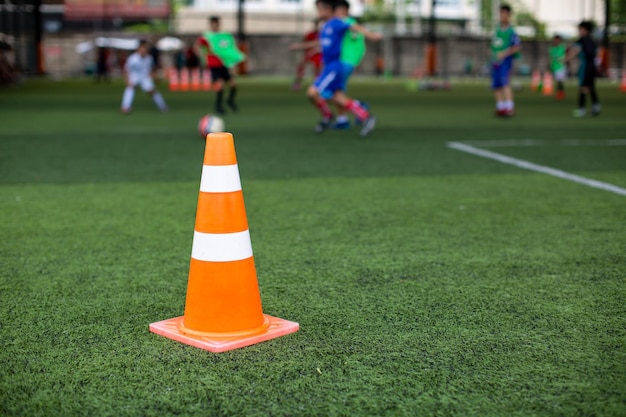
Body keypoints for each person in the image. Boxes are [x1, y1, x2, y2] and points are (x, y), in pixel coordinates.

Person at [298, 0, 381, 137]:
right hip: (329, 66)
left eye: (320, 9)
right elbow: (325, 45)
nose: (318, 13)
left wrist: (372, 36)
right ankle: (365, 115)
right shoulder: (326, 27)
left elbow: (354, 27)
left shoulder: (337, 22)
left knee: (314, 92)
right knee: (337, 96)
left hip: (334, 67)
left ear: (328, 9)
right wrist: (310, 49)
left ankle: (328, 115)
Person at [195, 16, 244, 115]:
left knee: (233, 84)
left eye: (216, 24)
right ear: (210, 25)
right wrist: (201, 56)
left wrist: (233, 62)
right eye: (212, 24)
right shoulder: (206, 36)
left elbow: (229, 49)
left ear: (218, 24)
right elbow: (197, 46)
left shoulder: (224, 36)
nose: (214, 26)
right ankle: (218, 106)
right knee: (220, 85)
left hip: (223, 63)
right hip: (214, 64)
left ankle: (230, 101)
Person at [331, 0, 367, 130]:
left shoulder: (347, 24)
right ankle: (342, 119)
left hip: (344, 61)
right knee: (337, 91)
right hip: (345, 61)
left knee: (330, 91)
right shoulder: (346, 24)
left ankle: (358, 106)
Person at [120, 40, 168, 114]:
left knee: (152, 91)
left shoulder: (149, 58)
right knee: (130, 88)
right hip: (134, 76)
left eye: (145, 48)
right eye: (142, 48)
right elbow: (126, 69)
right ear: (138, 48)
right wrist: (127, 79)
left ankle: (163, 106)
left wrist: (156, 77)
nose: (144, 49)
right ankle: (125, 107)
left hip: (144, 77)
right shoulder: (132, 58)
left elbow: (152, 69)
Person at [490, 4, 521, 117]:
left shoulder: (511, 31)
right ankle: (500, 107)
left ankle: (509, 107)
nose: (501, 16)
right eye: (500, 13)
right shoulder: (497, 30)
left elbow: (517, 46)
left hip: (505, 62)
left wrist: (504, 53)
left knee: (505, 83)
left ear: (508, 15)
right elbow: (494, 45)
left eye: (504, 13)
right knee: (496, 84)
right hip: (495, 62)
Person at [567, 21, 600, 117]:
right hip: (592, 65)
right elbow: (597, 53)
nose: (579, 31)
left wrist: (565, 59)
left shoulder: (581, 41)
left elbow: (574, 52)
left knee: (583, 88)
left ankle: (581, 109)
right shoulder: (592, 41)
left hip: (585, 66)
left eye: (580, 29)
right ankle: (596, 106)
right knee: (590, 86)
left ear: (585, 30)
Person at [292, 19, 323, 91]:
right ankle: (298, 83)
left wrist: (299, 46)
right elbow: (307, 44)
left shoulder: (323, 34)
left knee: (318, 68)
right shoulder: (310, 34)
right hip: (310, 54)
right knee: (301, 65)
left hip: (318, 55)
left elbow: (319, 44)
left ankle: (317, 85)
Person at [549, 35, 567, 100]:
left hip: (561, 67)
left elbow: (566, 56)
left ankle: (561, 94)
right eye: (555, 40)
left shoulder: (562, 47)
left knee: (560, 81)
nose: (556, 41)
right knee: (557, 81)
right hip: (554, 67)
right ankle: (559, 93)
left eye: (557, 40)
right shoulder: (551, 48)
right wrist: (549, 65)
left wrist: (565, 62)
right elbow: (550, 58)